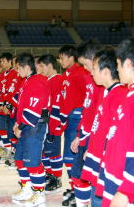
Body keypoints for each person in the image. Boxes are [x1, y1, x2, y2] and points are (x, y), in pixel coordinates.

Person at [81, 48, 128, 207]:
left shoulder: (120, 96)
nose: (91, 73)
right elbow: (101, 127)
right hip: (99, 160)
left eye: (94, 69)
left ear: (106, 71)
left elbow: (116, 136)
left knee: (99, 200)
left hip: (109, 166)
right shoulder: (108, 93)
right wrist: (91, 147)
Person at [96, 38, 134, 207]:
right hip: (117, 176)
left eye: (118, 64)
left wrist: (126, 190)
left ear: (127, 64)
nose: (117, 70)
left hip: (125, 187)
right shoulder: (129, 95)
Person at [69, 40, 104, 207]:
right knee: (77, 175)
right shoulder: (91, 79)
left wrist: (93, 144)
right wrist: (79, 135)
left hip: (95, 137)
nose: (85, 68)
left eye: (86, 64)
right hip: (85, 135)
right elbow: (87, 109)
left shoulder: (104, 84)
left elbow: (101, 116)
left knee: (93, 178)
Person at [11, 52, 49, 206]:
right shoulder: (28, 81)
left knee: (32, 161)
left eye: (18, 68)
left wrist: (20, 126)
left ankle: (39, 193)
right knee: (20, 159)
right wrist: (17, 122)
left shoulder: (38, 82)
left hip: (35, 126)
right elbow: (22, 105)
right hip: (25, 125)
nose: (17, 71)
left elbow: (34, 111)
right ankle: (27, 188)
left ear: (27, 67)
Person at [57, 45, 87, 206]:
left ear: (71, 57)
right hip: (68, 119)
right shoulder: (66, 75)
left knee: (74, 157)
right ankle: (74, 187)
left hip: (77, 118)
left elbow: (87, 100)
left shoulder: (81, 73)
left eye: (62, 57)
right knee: (68, 158)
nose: (60, 60)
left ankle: (80, 190)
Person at [38, 54, 64, 194]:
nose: (40, 69)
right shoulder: (47, 80)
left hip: (54, 123)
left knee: (54, 152)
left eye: (42, 66)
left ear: (49, 65)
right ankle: (49, 174)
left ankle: (57, 178)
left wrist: (57, 123)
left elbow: (59, 104)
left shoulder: (58, 80)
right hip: (46, 123)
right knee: (46, 152)